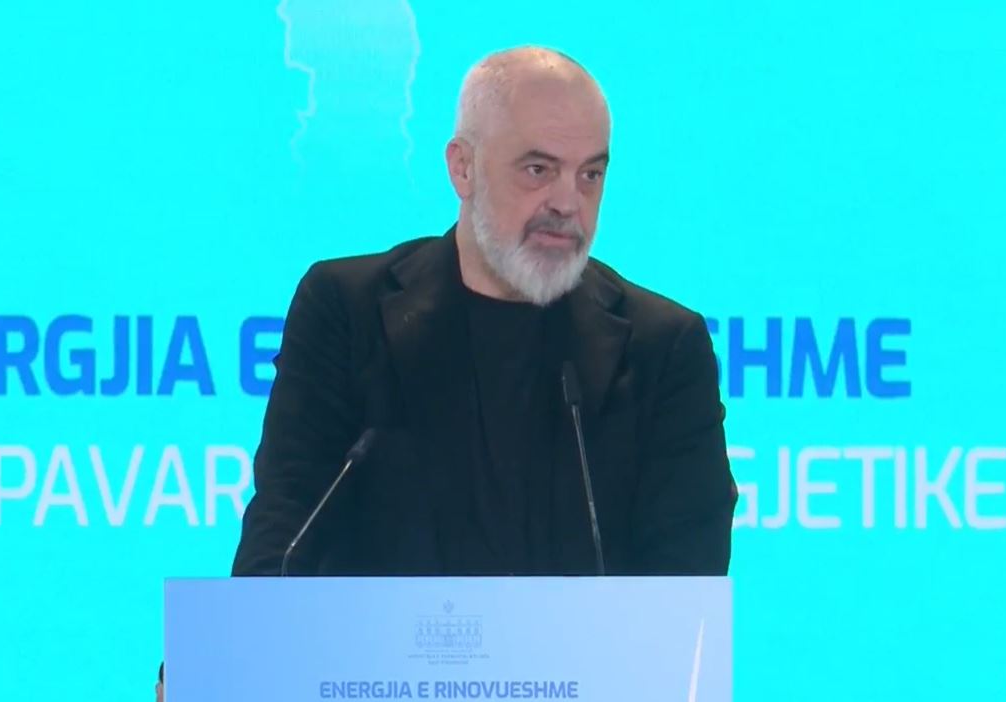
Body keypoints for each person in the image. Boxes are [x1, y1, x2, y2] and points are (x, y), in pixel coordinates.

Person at [231, 46, 738, 577]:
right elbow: (284, 531)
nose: (568, 203)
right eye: (538, 169)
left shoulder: (662, 348)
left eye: (590, 175)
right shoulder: (347, 311)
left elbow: (685, 587)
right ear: (463, 168)